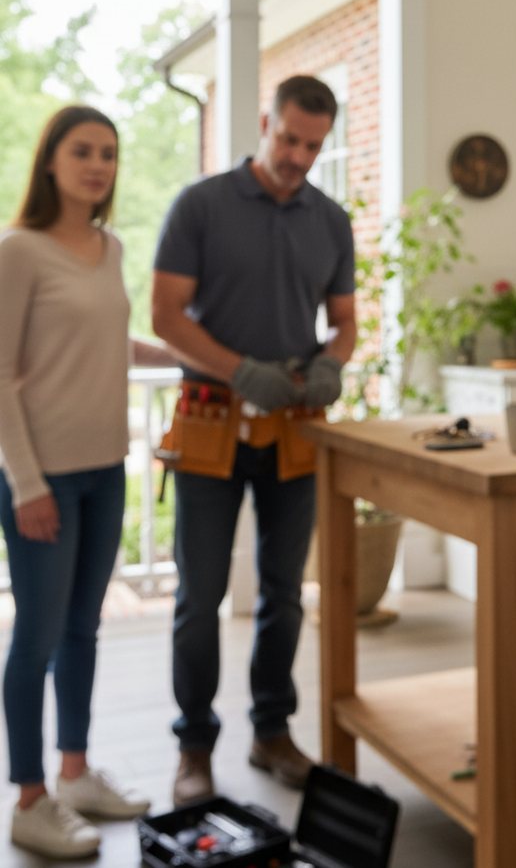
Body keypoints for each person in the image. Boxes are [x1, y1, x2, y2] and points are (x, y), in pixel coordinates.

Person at [151, 75, 357, 806]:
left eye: (312, 145)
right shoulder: (200, 205)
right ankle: (194, 749)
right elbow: (167, 316)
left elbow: (345, 321)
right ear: (265, 124)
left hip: (294, 431)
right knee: (199, 596)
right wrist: (241, 371)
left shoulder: (330, 220)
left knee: (283, 596)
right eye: (288, 139)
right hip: (209, 426)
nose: (297, 155)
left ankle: (271, 734)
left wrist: (332, 362)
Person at [0, 106, 153, 859]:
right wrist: (25, 482)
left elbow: (107, 336)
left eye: (109, 154)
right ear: (51, 161)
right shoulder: (18, 249)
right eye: (83, 151)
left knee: (82, 630)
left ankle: (75, 774)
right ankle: (28, 799)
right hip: (44, 479)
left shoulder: (111, 246)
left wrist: (201, 358)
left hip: (105, 469)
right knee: (34, 638)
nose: (98, 165)